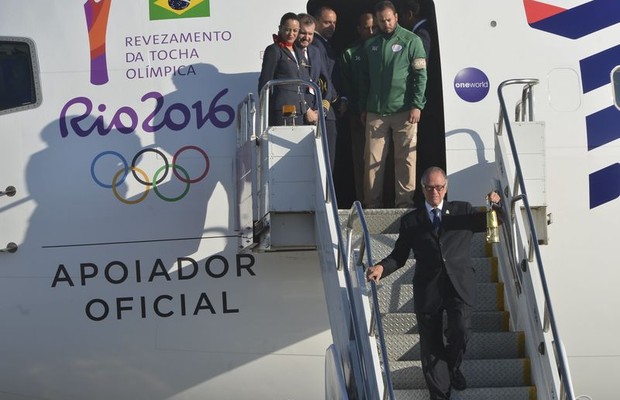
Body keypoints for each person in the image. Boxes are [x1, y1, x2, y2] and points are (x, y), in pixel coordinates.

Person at [366, 166, 502, 400]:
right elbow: (399, 256)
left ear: (445, 188)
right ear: (422, 189)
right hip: (428, 289)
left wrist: (495, 204)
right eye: (430, 188)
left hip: (459, 285)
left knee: (460, 330)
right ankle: (440, 395)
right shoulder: (411, 221)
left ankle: (452, 367)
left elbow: (493, 222)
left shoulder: (462, 211)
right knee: (430, 346)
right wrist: (381, 267)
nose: (435, 192)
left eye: (439, 187)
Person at [359, 0, 427, 208]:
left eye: (389, 19)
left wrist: (417, 104)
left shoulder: (412, 41)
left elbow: (420, 75)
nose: (386, 24)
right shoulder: (371, 44)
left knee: (406, 158)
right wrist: (364, 107)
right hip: (376, 112)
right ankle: (371, 204)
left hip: (404, 111)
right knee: (372, 162)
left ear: (396, 17)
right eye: (381, 21)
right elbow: (364, 80)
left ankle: (404, 203)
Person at [340, 12, 377, 201]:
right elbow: (346, 86)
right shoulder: (350, 53)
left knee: (382, 163)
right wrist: (354, 112)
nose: (370, 31)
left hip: (382, 114)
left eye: (374, 27)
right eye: (366, 27)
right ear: (359, 29)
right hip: (358, 116)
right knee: (361, 161)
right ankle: (364, 202)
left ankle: (385, 202)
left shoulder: (384, 48)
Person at [295, 13, 338, 166]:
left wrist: (323, 109)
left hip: (321, 113)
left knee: (327, 162)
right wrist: (307, 110)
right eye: (303, 33)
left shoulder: (316, 51)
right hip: (301, 114)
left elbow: (326, 82)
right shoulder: (289, 52)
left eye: (310, 34)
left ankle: (327, 190)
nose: (306, 37)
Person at [258, 12, 313, 126]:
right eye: (287, 29)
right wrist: (264, 110)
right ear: (280, 28)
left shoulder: (299, 51)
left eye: (295, 30)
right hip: (282, 109)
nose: (291, 34)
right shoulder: (274, 50)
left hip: (300, 109)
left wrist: (307, 108)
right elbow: (265, 81)